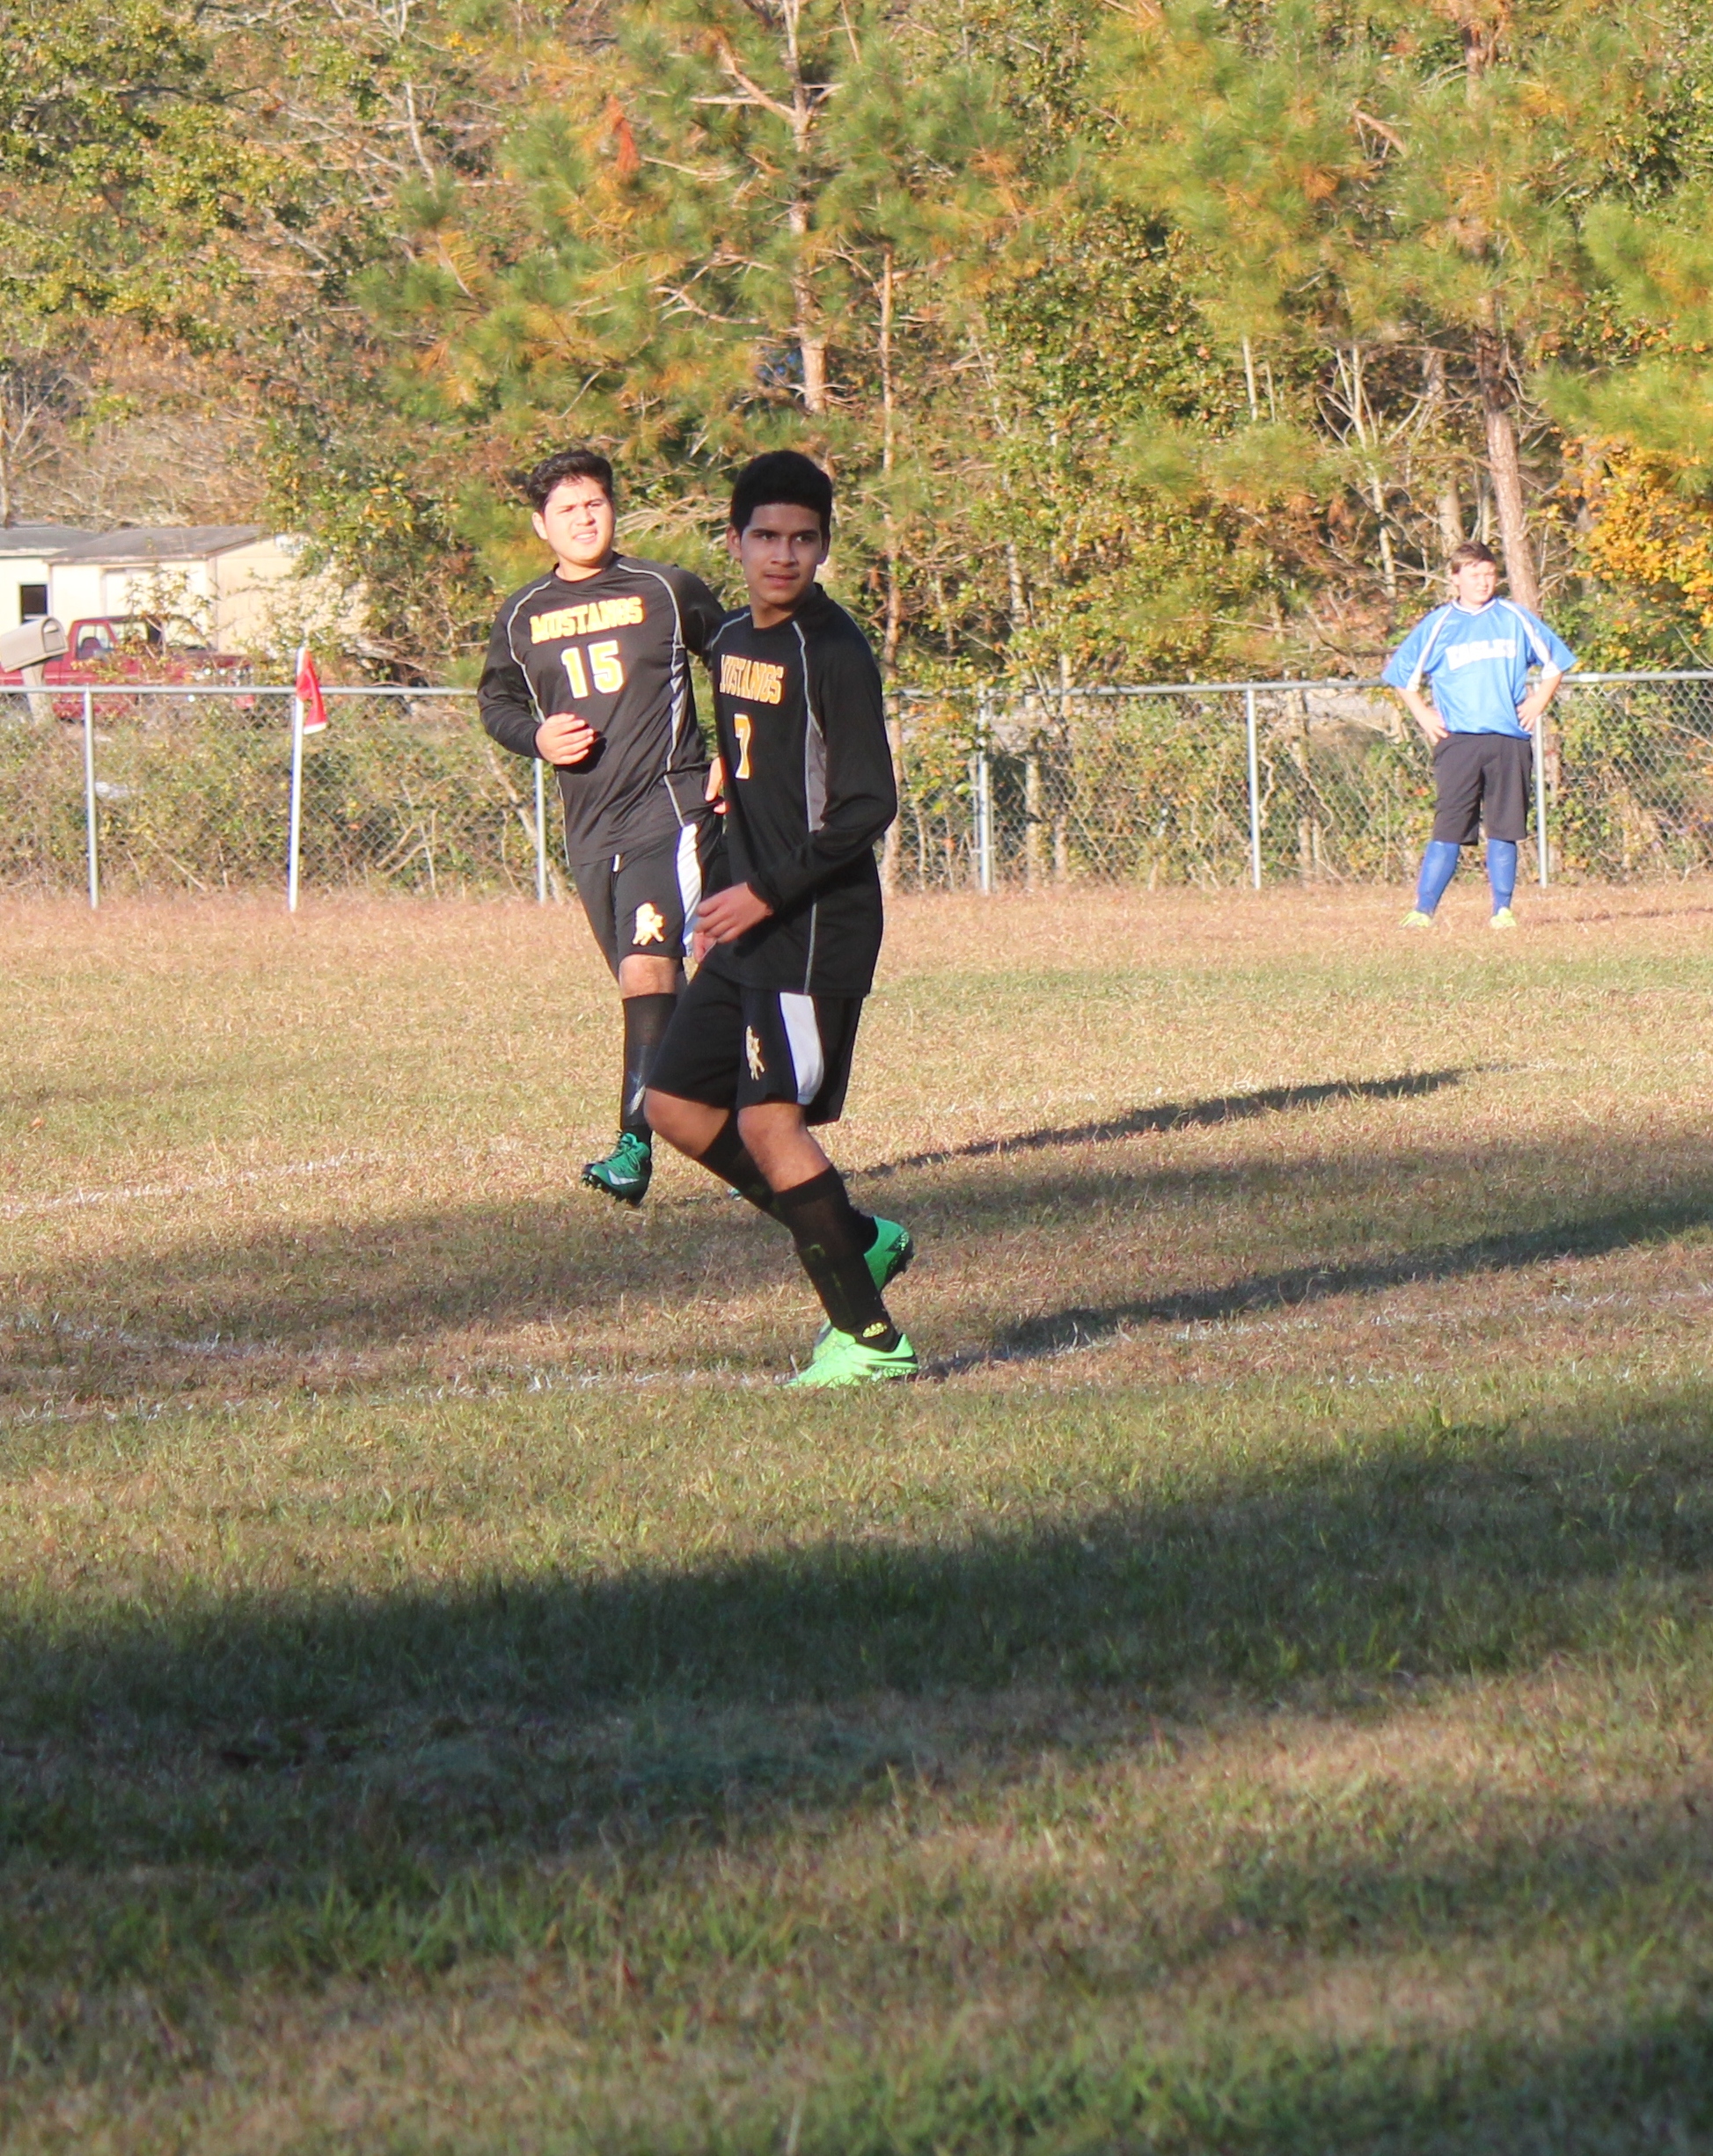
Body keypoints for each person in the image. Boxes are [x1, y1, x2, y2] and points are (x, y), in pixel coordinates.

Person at [643, 450, 916, 1386]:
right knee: (674, 1107)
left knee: (770, 1124)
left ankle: (872, 1340)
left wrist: (764, 892)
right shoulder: (730, 645)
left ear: (824, 548)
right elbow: (739, 780)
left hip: (811, 927)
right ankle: (849, 1235)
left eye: (804, 540)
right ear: (736, 540)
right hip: (743, 922)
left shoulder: (831, 652)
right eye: (766, 536)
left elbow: (865, 806)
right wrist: (720, 888)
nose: (784, 556)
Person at [479, 447, 726, 1204]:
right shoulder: (522, 615)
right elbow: (497, 703)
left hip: (672, 809)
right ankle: (747, 1126)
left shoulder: (664, 587)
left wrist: (737, 756)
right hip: (590, 830)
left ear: (613, 509)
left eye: (595, 504)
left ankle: (632, 1147)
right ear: (540, 524)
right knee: (657, 989)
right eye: (566, 509)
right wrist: (535, 738)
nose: (584, 519)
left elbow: (738, 661)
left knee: (647, 970)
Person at [1382, 541, 1576, 930]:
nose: (1484, 582)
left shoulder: (1513, 617)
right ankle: (1423, 911)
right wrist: (1422, 713)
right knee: (1450, 825)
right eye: (1474, 575)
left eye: (1489, 574)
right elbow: (1401, 676)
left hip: (1508, 739)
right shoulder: (1439, 623)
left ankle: (1502, 910)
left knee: (1504, 828)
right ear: (1455, 579)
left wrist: (1538, 701)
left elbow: (1556, 663)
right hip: (1460, 742)